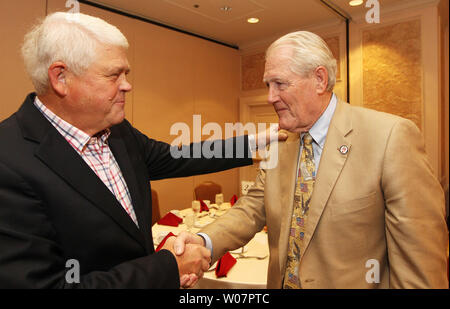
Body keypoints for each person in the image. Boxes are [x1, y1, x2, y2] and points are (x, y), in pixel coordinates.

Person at [0, 12, 285, 288]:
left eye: (126, 73)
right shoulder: (9, 160)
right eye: (114, 75)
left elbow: (179, 157)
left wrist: (257, 141)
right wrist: (168, 268)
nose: (127, 85)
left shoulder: (118, 131)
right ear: (61, 78)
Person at [174, 31, 449, 288]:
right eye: (268, 85)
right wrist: (203, 240)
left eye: (280, 84)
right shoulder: (280, 144)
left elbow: (419, 263)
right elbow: (250, 210)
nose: (270, 97)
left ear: (319, 79)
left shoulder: (390, 138)